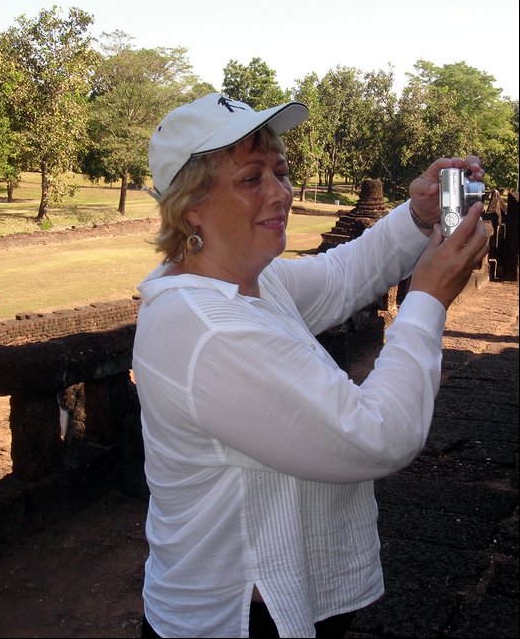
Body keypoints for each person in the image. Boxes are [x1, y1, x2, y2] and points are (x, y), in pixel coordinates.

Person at [132, 93, 488, 639]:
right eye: (251, 179)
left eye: (281, 171)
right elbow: (376, 434)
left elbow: (342, 275)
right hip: (238, 617)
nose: (281, 193)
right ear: (190, 206)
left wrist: (416, 215)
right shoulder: (207, 328)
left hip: (283, 597)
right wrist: (429, 297)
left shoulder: (250, 282)